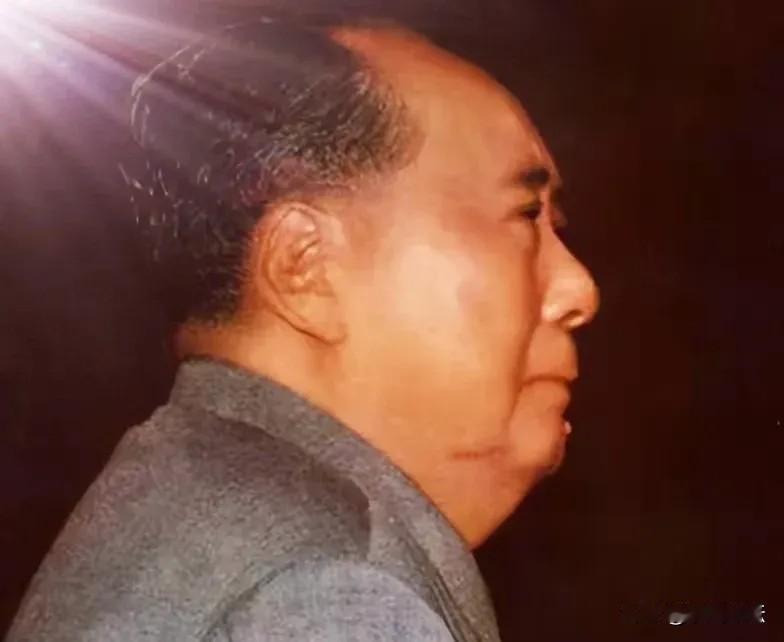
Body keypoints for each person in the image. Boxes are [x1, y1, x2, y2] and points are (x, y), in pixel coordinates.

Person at [8, 13, 599, 642]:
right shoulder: (326, 590)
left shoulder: (200, 511)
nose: (579, 290)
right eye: (525, 214)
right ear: (306, 266)